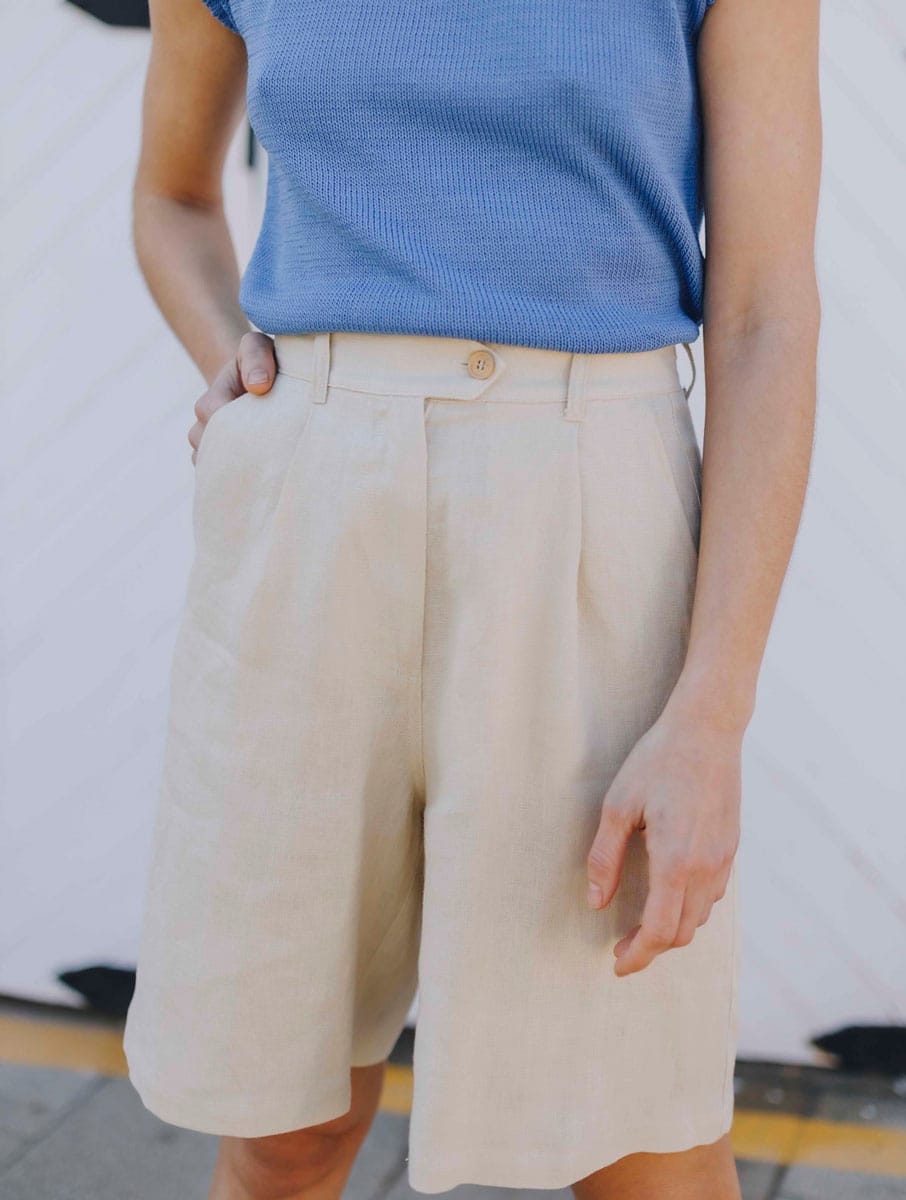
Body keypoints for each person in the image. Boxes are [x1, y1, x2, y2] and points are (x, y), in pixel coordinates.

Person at [122, 1, 822, 1197]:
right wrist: (233, 365)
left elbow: (763, 311)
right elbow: (170, 198)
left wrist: (713, 714)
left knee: (635, 1144)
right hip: (307, 527)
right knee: (282, 1133)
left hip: (590, 523)